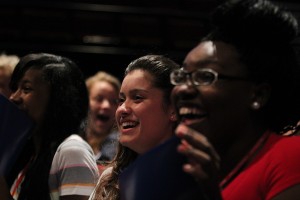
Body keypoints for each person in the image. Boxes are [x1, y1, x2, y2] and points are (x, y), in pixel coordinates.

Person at [170, 0, 300, 199]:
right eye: (182, 76)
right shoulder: (190, 171)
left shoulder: (290, 157)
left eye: (205, 76)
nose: (183, 89)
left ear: (257, 95)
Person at [5, 53, 99, 200]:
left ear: (58, 98)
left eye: (26, 88)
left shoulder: (72, 151)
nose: (13, 97)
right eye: (15, 88)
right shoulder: (32, 157)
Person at [89, 54, 180, 200]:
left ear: (173, 108)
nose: (122, 109)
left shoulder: (197, 179)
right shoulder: (109, 179)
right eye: (121, 100)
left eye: (137, 97)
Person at [84, 71, 120, 173]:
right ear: (85, 102)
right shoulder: (70, 141)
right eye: (99, 99)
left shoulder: (124, 148)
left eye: (114, 101)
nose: (106, 106)